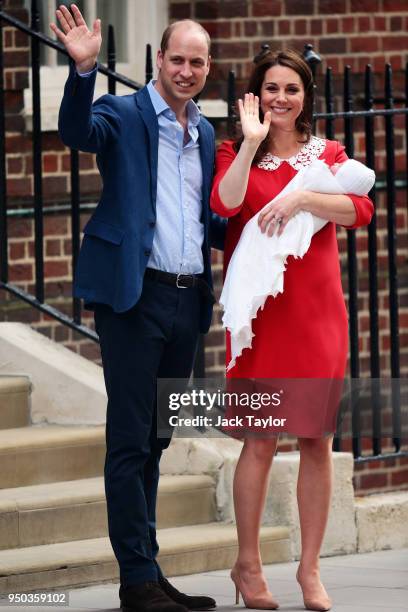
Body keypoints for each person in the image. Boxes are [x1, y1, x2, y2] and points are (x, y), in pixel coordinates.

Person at [51, 5, 225, 612]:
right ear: (158, 61)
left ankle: (150, 570)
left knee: (157, 438)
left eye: (196, 61)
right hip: (134, 297)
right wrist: (82, 71)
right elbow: (77, 133)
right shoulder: (123, 114)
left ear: (208, 67)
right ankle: (136, 579)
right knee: (129, 439)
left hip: (187, 300)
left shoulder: (203, 132)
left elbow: (207, 218)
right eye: (176, 58)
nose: (185, 69)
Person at [210, 49, 374, 611]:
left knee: (316, 442)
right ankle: (248, 566)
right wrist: (251, 142)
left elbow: (361, 210)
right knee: (260, 442)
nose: (281, 98)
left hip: (317, 314)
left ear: (306, 97)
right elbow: (224, 202)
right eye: (271, 88)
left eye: (292, 90)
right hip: (262, 320)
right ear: (255, 95)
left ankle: (309, 571)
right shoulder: (236, 151)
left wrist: (305, 195)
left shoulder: (326, 155)